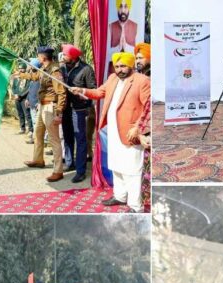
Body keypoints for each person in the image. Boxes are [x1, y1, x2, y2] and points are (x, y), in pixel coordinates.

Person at [70, 52, 150, 212]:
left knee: (132, 169)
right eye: (117, 66)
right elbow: (100, 92)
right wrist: (82, 90)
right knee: (116, 165)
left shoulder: (143, 81)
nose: (120, 70)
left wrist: (138, 128)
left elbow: (149, 106)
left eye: (123, 66)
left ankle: (135, 206)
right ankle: (120, 196)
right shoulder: (113, 78)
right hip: (113, 131)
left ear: (131, 65)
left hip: (130, 133)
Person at [13, 46, 67, 182]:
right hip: (43, 105)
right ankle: (38, 160)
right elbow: (35, 76)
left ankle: (58, 170)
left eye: (38, 56)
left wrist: (59, 113)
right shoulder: (44, 69)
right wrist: (21, 75)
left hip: (51, 107)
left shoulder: (54, 71)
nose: (37, 58)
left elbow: (61, 93)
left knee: (54, 139)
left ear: (43, 57)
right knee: (38, 134)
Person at [59, 44, 96, 183]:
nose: (63, 57)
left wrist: (81, 92)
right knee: (67, 136)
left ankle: (80, 171)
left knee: (80, 139)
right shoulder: (62, 68)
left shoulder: (86, 69)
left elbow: (93, 89)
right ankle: (70, 163)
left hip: (79, 110)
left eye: (65, 55)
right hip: (66, 108)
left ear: (73, 57)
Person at [11, 62, 32, 135]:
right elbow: (13, 87)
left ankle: (30, 130)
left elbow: (28, 88)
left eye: (22, 69)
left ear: (25, 69)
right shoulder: (16, 78)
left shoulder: (28, 77)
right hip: (17, 98)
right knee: (20, 114)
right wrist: (15, 94)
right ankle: (22, 128)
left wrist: (20, 95)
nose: (20, 70)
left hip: (24, 98)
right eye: (19, 68)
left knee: (27, 114)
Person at [25, 58, 42, 145]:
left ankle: (39, 140)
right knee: (34, 121)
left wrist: (39, 102)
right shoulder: (33, 76)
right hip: (31, 102)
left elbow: (41, 91)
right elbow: (30, 89)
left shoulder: (40, 76)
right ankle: (35, 139)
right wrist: (27, 99)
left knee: (37, 123)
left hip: (37, 103)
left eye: (31, 65)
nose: (30, 67)